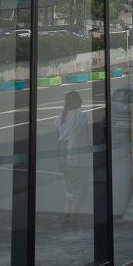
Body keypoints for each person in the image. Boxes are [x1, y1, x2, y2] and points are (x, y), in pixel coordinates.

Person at [55, 90, 90, 226]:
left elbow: (58, 141)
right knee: (79, 191)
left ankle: (67, 217)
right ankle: (72, 221)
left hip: (64, 159)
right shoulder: (81, 117)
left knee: (69, 190)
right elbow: (86, 140)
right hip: (78, 159)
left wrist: (59, 158)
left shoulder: (59, 119)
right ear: (77, 102)